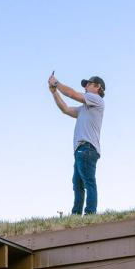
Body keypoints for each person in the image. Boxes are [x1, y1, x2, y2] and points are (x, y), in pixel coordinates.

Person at [48, 73, 105, 214]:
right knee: (78, 184)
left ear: (97, 87)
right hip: (82, 149)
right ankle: (76, 214)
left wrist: (56, 83)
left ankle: (90, 213)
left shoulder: (96, 99)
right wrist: (54, 93)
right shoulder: (84, 109)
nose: (85, 87)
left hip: (87, 148)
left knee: (88, 182)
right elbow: (65, 109)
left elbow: (72, 94)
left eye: (88, 84)